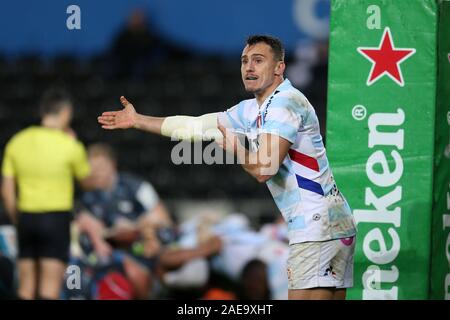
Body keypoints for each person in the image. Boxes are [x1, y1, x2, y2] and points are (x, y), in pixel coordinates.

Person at [97, 35, 357, 300]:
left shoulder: (284, 103)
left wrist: (235, 146)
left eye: (258, 60)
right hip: (330, 222)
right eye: (245, 61)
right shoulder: (253, 109)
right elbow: (194, 127)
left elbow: (263, 168)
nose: (249, 67)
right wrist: (138, 119)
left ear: (279, 67)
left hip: (316, 225)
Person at [1, 87, 91, 299]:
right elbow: (86, 182)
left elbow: (6, 190)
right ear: (66, 112)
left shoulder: (17, 141)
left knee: (25, 289)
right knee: (49, 291)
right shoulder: (70, 145)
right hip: (55, 219)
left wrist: (17, 218)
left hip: (26, 218)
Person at [75, 143, 173, 299]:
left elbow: (163, 218)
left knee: (135, 274)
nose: (96, 173)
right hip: (105, 252)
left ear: (112, 165)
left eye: (100, 167)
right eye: (92, 168)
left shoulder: (136, 187)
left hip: (139, 249)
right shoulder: (88, 195)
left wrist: (134, 226)